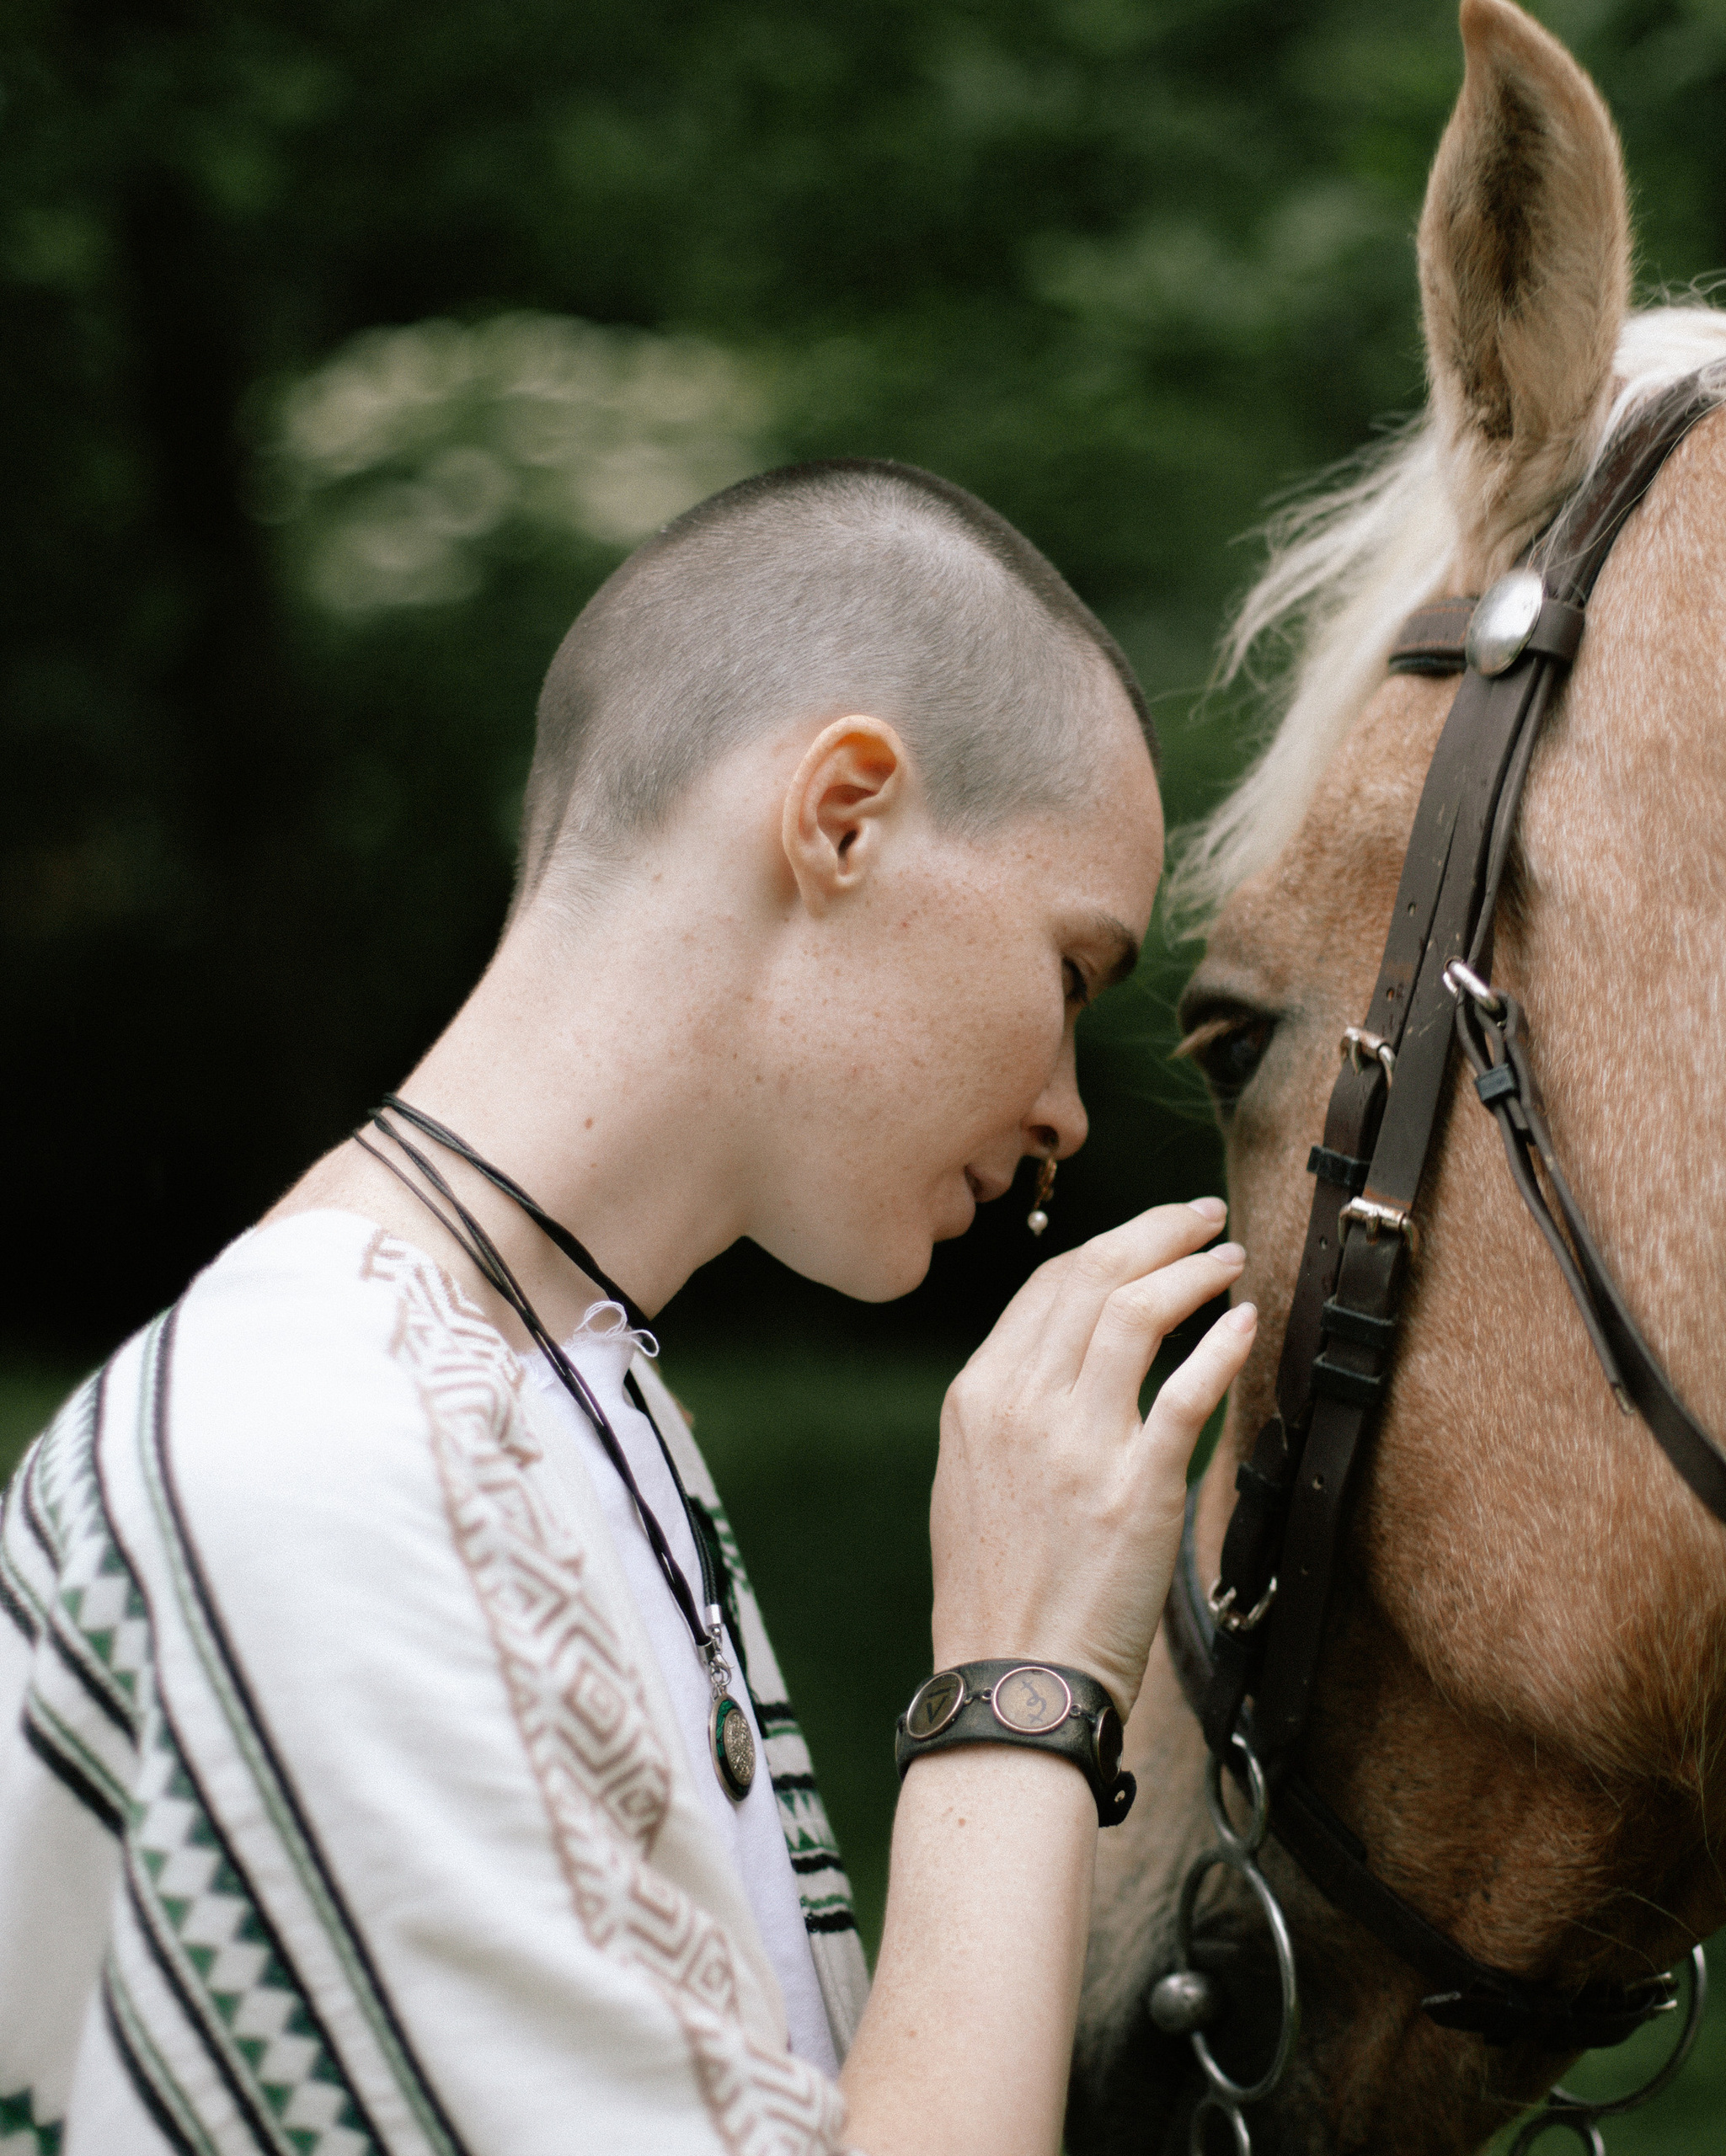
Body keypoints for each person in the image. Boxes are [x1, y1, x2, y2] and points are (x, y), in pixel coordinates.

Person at [0, 461, 1256, 2156]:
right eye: (1070, 970)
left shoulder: (550, 1399)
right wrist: (1016, 1679)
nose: (1065, 1114)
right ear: (843, 817)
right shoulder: (328, 1466)